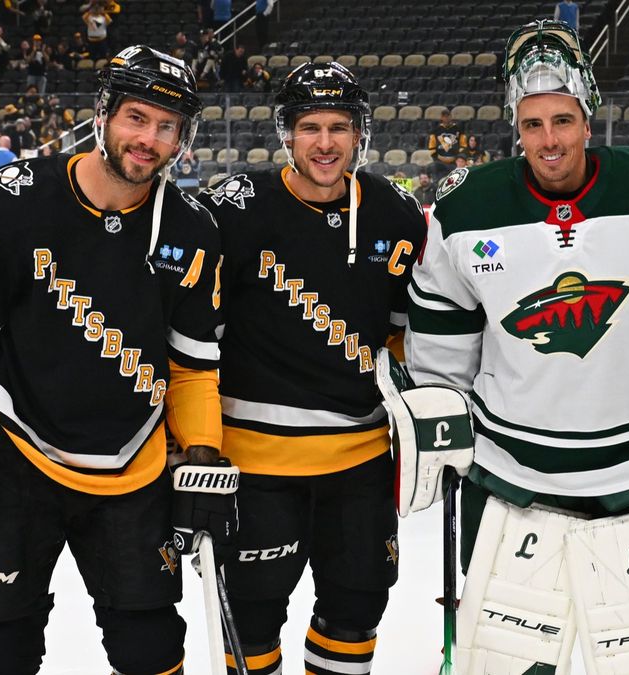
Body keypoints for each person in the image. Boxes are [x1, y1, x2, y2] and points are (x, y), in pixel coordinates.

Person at [403, 19, 629, 672]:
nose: (548, 140)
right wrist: (441, 422)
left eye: (562, 119)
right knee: (513, 664)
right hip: (513, 478)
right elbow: (441, 338)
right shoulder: (466, 209)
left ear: (588, 117)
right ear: (515, 126)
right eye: (532, 124)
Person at [0, 45, 237, 675]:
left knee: (152, 650)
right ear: (104, 113)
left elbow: (193, 363)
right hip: (16, 455)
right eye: (137, 118)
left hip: (134, 469)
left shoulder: (193, 229)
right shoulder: (10, 201)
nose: (150, 139)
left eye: (168, 127)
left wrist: (202, 453)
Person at [200, 61, 426, 675]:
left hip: (359, 464)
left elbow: (411, 337)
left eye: (339, 127)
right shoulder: (232, 210)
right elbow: (189, 333)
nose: (325, 143)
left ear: (360, 134)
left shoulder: (396, 214)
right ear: (286, 134)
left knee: (356, 609)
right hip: (254, 465)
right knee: (251, 615)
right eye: (309, 127)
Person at [427, 107, 465, 177]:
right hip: (439, 161)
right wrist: (437, 157)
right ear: (441, 118)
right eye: (444, 116)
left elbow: (463, 146)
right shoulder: (435, 130)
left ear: (451, 117)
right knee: (433, 167)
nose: (446, 118)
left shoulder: (458, 130)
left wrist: (457, 157)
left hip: (454, 162)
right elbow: (431, 147)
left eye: (448, 116)